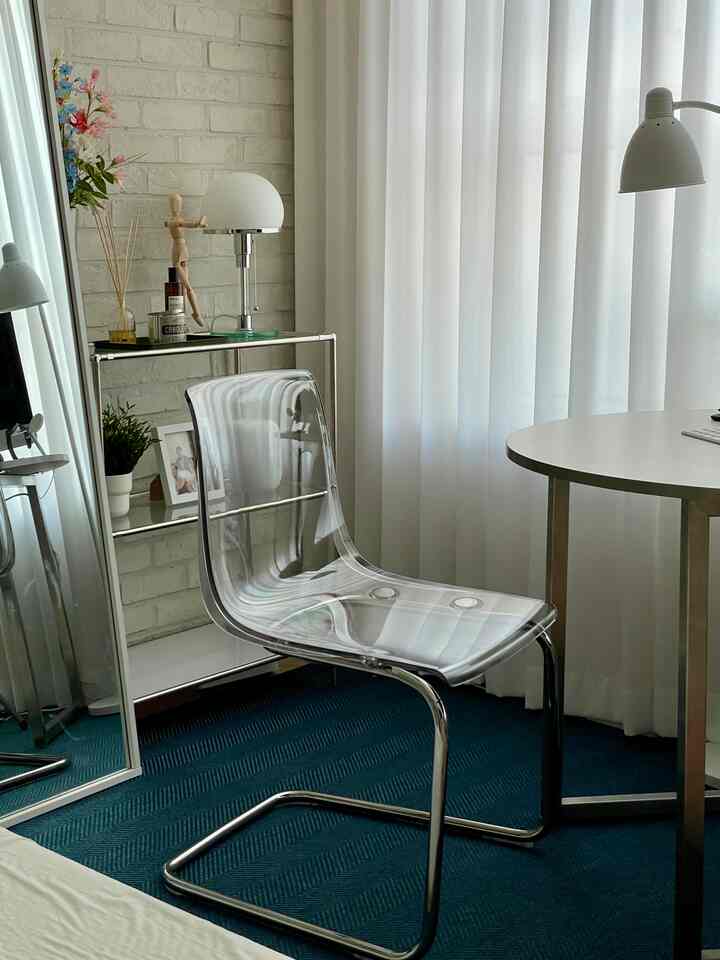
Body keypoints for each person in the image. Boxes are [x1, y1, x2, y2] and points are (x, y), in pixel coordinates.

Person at [164, 193, 207, 326]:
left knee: (185, 286)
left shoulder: (177, 220)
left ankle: (192, 315)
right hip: (178, 249)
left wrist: (199, 223)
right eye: (174, 203)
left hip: (183, 249)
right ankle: (195, 313)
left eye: (178, 203)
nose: (177, 207)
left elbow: (186, 223)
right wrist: (199, 223)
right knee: (186, 286)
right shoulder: (174, 221)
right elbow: (188, 224)